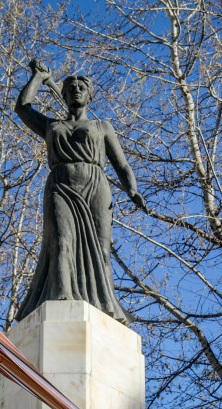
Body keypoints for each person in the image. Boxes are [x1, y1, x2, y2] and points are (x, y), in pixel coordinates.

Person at [14, 59, 147, 323]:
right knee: (61, 241)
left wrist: (132, 189)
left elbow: (121, 164)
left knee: (101, 249)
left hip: (96, 187)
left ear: (89, 95)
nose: (76, 90)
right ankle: (62, 296)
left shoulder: (102, 126)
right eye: (71, 87)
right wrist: (38, 77)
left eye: (82, 87)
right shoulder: (52, 126)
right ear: (63, 95)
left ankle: (106, 305)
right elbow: (23, 108)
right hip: (61, 186)